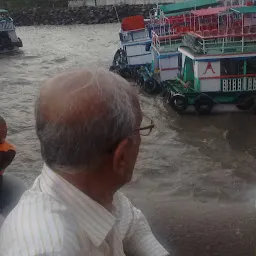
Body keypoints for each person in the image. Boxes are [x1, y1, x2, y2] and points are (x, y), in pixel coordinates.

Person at [0, 68, 169, 256]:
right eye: (140, 129)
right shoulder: (50, 248)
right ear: (121, 155)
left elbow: (132, 225)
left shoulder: (84, 188)